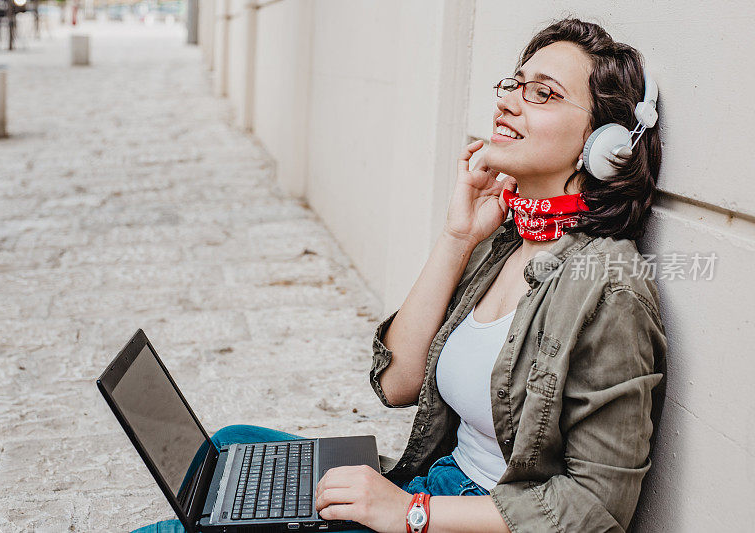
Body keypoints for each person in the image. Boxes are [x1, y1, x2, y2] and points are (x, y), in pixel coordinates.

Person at [135, 17, 666, 533]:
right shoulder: (505, 241)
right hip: (438, 484)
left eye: (542, 94)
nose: (507, 101)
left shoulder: (610, 285)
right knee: (230, 445)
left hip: (467, 515)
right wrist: (457, 239)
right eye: (514, 83)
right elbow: (396, 383)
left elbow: (596, 508)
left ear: (604, 146)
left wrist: (410, 514)